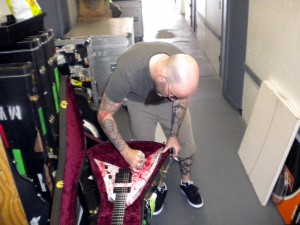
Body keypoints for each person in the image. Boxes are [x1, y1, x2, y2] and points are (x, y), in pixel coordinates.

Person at [97, 41, 203, 215]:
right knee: (145, 150)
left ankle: (186, 182)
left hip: (166, 97)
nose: (175, 98)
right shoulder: (127, 72)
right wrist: (126, 151)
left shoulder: (180, 69)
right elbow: (104, 114)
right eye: (174, 94)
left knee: (185, 143)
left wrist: (174, 135)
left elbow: (180, 99)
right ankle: (159, 186)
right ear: (162, 77)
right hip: (139, 101)